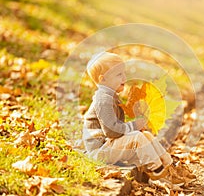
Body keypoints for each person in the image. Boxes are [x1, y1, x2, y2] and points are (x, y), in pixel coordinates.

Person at [82, 52, 195, 184]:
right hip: (99, 151)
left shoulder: (109, 96)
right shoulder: (103, 100)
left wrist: (134, 128)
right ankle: (158, 173)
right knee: (137, 137)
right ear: (103, 79)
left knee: (146, 135)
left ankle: (170, 166)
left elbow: (116, 130)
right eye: (119, 74)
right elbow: (111, 131)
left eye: (124, 73)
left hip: (108, 145)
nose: (124, 77)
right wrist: (134, 126)